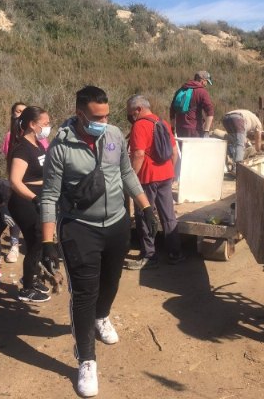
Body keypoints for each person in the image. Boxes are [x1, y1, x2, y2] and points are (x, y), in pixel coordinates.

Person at [39, 85, 158, 397]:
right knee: (84, 294)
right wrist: (48, 241)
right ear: (81, 114)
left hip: (117, 223)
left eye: (107, 115)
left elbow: (126, 174)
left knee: (112, 282)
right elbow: (49, 195)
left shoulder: (115, 135)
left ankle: (102, 316)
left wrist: (145, 208)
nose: (104, 120)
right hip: (80, 228)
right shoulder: (61, 147)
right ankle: (86, 360)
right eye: (97, 116)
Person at [125, 94, 183, 270]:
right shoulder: (163, 123)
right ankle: (175, 253)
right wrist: (169, 172)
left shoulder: (139, 126)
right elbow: (174, 152)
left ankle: (149, 256)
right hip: (166, 175)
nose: (130, 116)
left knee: (145, 215)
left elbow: (138, 154)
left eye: (130, 112)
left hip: (147, 178)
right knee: (168, 215)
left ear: (138, 109)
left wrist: (131, 177)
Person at [7, 106, 52, 303]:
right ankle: (26, 289)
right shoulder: (22, 149)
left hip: (38, 197)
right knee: (35, 241)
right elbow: (15, 181)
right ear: (33, 125)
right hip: (25, 201)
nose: (48, 126)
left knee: (40, 241)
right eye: (45, 123)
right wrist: (35, 199)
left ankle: (31, 278)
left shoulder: (38, 144)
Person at [1, 102, 26, 263]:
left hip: (35, 182)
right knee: (15, 214)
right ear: (12, 114)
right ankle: (14, 245)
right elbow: (7, 159)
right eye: (18, 111)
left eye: (24, 111)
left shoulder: (37, 135)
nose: (21, 114)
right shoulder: (10, 136)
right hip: (16, 181)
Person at [169, 70, 214, 138]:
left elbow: (172, 110)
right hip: (195, 130)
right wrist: (206, 131)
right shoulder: (202, 92)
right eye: (207, 82)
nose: (206, 84)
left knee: (182, 148)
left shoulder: (180, 90)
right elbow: (210, 112)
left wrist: (173, 128)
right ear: (203, 81)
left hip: (180, 129)